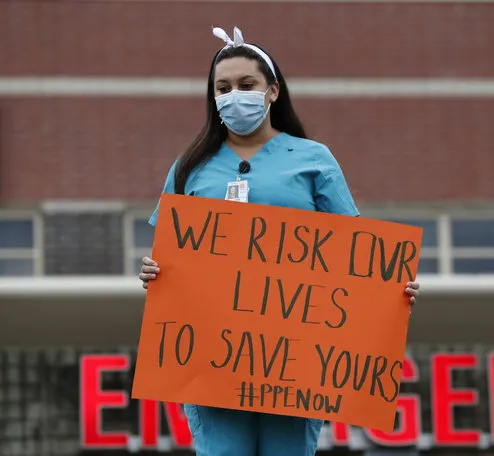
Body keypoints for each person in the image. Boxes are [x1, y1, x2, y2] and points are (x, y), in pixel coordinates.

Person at [138, 26, 420, 456]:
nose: (234, 95)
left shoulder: (313, 158)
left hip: (294, 362)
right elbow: (171, 255)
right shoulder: (190, 167)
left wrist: (389, 289)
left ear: (272, 91)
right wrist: (155, 273)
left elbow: (356, 252)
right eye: (223, 87)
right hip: (213, 358)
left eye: (246, 85)